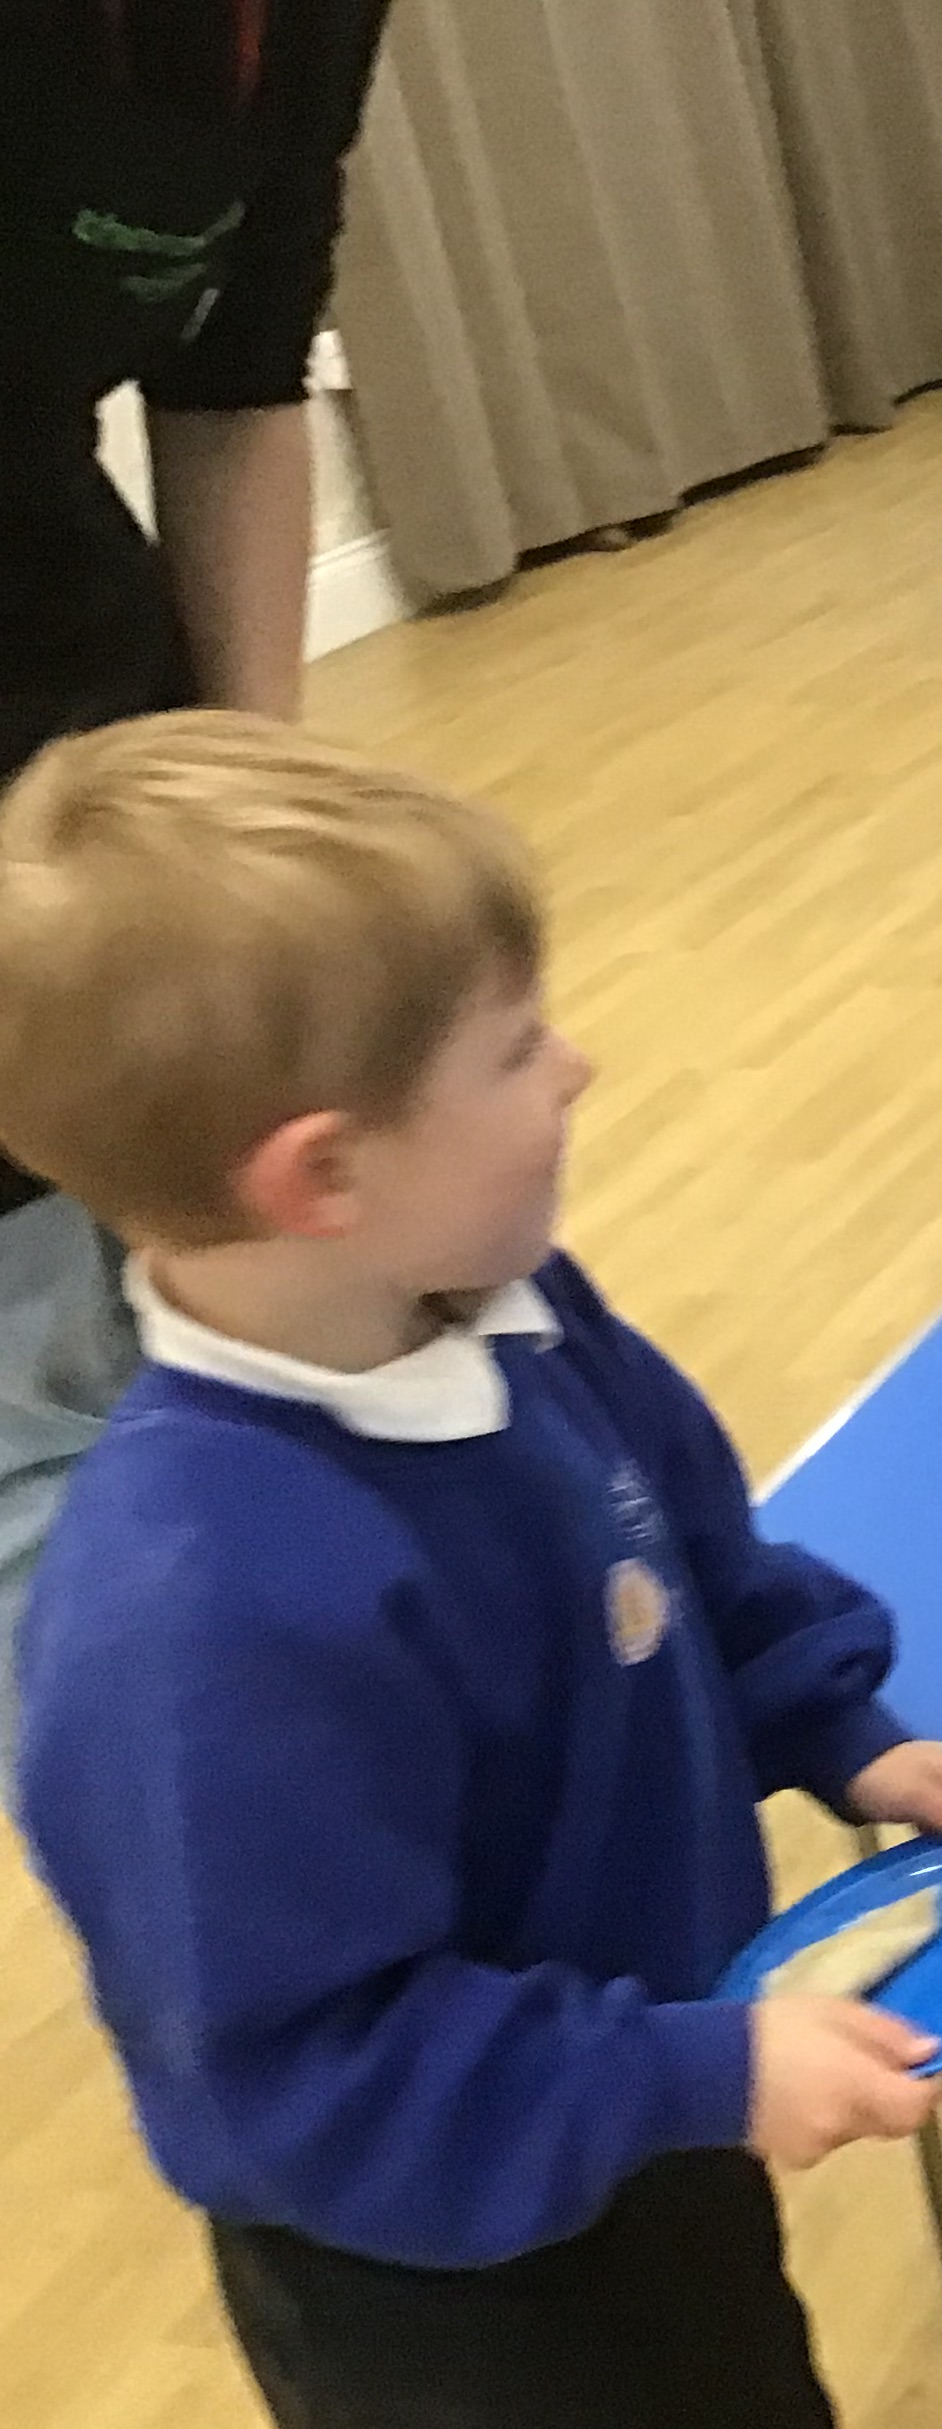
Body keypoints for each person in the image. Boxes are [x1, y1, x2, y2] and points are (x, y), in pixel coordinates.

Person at [0, 714, 942, 2429]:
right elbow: (309, 2077)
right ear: (323, 1174)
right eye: (514, 1047)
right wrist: (696, 2072)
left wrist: (831, 1724)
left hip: (636, 2114)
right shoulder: (199, 1612)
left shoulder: (514, 1311)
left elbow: (693, 1559)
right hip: (452, 2294)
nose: (577, 1070)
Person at [1, 0, 396, 1676]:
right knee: (39, 1403)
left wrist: (250, 832)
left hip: (76, 652)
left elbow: (235, 384)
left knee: (264, 1317)